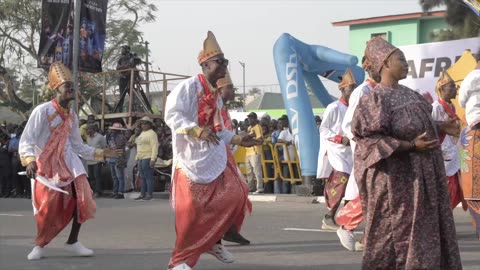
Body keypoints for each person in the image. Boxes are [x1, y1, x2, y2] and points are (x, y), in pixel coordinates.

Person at [351, 36, 462, 269]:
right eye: (400, 59)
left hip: (423, 182)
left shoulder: (413, 95)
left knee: (425, 236)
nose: (406, 63)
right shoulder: (374, 99)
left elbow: (417, 125)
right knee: (391, 238)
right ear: (384, 64)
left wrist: (441, 127)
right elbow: (369, 141)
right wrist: (411, 147)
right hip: (395, 185)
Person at [164, 31, 258, 270]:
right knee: (190, 214)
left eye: (225, 62)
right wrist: (195, 130)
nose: (225, 67)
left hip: (212, 157)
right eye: (220, 62)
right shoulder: (187, 87)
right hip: (189, 161)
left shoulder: (215, 96)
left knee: (237, 194)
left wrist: (238, 138)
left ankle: (214, 241)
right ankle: (179, 262)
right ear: (206, 65)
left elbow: (217, 130)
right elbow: (171, 116)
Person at [19, 62, 122, 260]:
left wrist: (102, 153)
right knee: (46, 208)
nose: (71, 89)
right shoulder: (42, 111)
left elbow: (78, 146)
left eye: (73, 86)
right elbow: (27, 139)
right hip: (46, 166)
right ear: (56, 88)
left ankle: (73, 241)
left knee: (80, 201)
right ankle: (40, 244)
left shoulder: (73, 116)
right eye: (67, 86)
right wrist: (29, 160)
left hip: (70, 164)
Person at [335, 56, 379, 251]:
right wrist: (365, 146)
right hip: (369, 151)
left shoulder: (382, 90)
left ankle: (367, 238)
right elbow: (349, 124)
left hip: (382, 149)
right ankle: (346, 224)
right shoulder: (363, 91)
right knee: (373, 192)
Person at [316, 69, 356, 231]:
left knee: (352, 185)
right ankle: (329, 217)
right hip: (335, 150)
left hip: (350, 151)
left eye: (355, 88)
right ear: (342, 89)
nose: (353, 92)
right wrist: (340, 139)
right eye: (350, 88)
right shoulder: (334, 107)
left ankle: (345, 218)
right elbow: (323, 129)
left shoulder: (354, 107)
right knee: (343, 179)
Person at [217, 72, 251, 245]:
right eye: (229, 88)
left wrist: (242, 140)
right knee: (228, 194)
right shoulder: (213, 108)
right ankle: (216, 234)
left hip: (225, 157)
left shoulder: (223, 109)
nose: (233, 91)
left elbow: (227, 135)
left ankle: (229, 230)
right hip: (214, 160)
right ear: (220, 89)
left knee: (239, 192)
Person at [432, 70, 467, 210]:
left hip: (454, 155)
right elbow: (432, 132)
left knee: (456, 193)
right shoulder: (436, 107)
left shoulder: (452, 107)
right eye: (452, 86)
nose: (455, 89)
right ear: (442, 89)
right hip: (444, 157)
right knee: (447, 194)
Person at [458, 54, 480, 240]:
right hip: (473, 134)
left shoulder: (471, 76)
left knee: (474, 193)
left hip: (473, 131)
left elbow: (462, 100)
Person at [133, 116, 158, 201]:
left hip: (147, 157)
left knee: (148, 177)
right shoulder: (141, 133)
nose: (143, 125)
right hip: (140, 157)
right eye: (142, 123)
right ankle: (142, 194)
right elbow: (139, 146)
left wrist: (153, 159)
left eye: (145, 123)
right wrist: (136, 157)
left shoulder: (152, 133)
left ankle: (149, 194)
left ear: (150, 124)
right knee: (142, 177)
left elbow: (155, 147)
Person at [106, 122, 127, 199]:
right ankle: (115, 191)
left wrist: (109, 143)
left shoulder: (122, 137)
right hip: (112, 158)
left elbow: (115, 147)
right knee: (114, 177)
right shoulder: (111, 137)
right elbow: (109, 147)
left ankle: (120, 192)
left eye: (114, 130)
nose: (113, 131)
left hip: (119, 158)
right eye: (113, 130)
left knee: (120, 177)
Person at [245, 112, 264, 193]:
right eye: (249, 118)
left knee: (257, 171)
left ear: (255, 119)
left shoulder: (257, 127)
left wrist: (251, 139)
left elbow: (260, 140)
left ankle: (259, 188)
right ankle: (250, 187)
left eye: (251, 118)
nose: (250, 120)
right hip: (248, 152)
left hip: (255, 151)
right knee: (249, 172)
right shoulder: (249, 128)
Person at [86, 124, 106, 197]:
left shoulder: (100, 137)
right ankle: (93, 191)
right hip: (89, 160)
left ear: (92, 129)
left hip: (98, 159)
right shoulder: (88, 138)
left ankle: (98, 191)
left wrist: (104, 159)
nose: (86, 131)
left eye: (88, 129)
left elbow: (104, 147)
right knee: (91, 177)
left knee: (97, 176)